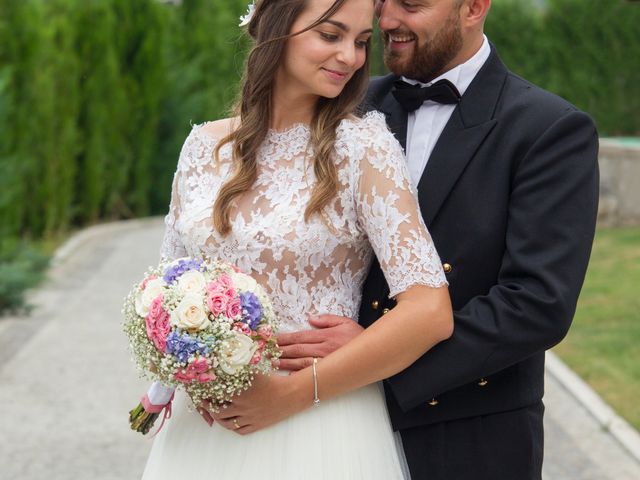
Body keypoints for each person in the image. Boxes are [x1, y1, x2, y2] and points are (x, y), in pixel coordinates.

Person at [276, 0, 600, 478]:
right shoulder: (342, 105)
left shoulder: (549, 129)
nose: (386, 21)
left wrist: (372, 357)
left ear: (473, 7)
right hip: (327, 423)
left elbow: (538, 303)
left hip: (468, 436)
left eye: (412, 5)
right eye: (385, 3)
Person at [141, 0, 453, 478]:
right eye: (331, 35)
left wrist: (292, 394)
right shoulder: (203, 146)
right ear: (276, 28)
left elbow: (429, 312)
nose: (349, 57)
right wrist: (185, 364)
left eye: (360, 41)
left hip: (320, 426)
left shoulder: (364, 148)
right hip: (205, 427)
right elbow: (166, 287)